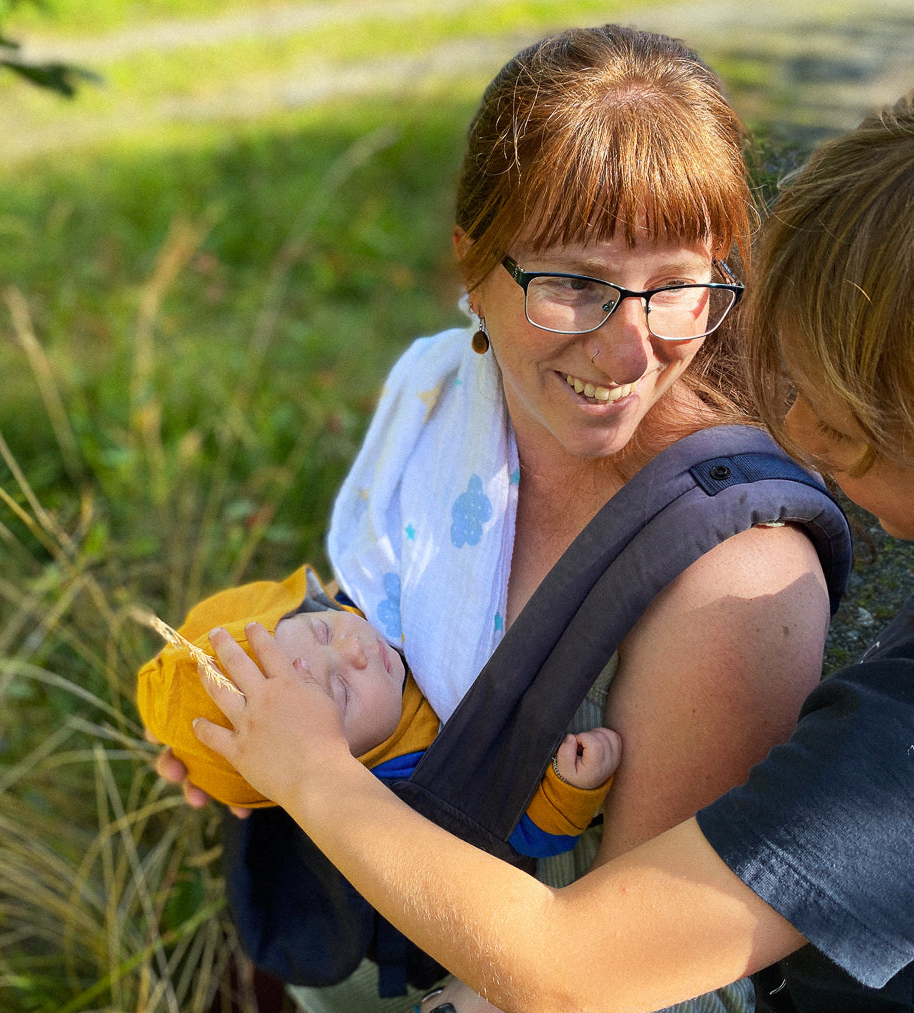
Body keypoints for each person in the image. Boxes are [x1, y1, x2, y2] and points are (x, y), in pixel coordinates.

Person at [150, 24, 837, 1013]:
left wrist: (308, 776)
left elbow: (638, 978)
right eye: (569, 284)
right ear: (469, 265)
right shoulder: (443, 403)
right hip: (366, 937)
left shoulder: (730, 574)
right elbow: (374, 610)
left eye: (675, 286)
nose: (624, 352)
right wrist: (246, 722)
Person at [137, 564, 620, 854]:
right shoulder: (407, 794)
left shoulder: (361, 605)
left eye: (322, 630)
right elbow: (509, 833)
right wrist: (567, 791)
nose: (356, 651)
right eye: (342, 692)